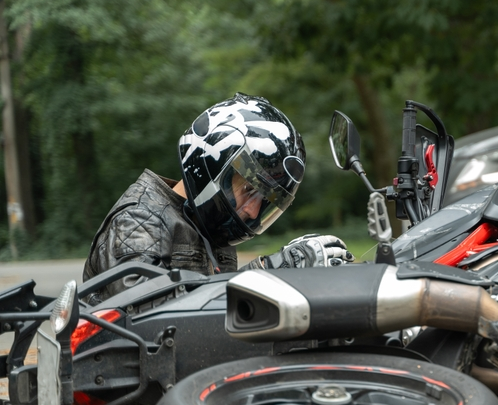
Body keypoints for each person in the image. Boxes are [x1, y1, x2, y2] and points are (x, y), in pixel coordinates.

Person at [83, 93, 352, 304]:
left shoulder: (206, 228)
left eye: (266, 202)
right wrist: (265, 273)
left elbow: (216, 319)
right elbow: (153, 322)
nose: (252, 210)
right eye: (249, 189)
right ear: (210, 163)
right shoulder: (140, 220)